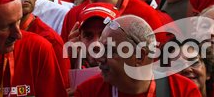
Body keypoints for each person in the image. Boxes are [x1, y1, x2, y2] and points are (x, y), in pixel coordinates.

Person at [74, 15, 202, 97]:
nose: (99, 57)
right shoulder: (88, 92)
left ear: (139, 57)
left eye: (109, 50)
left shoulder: (182, 91)